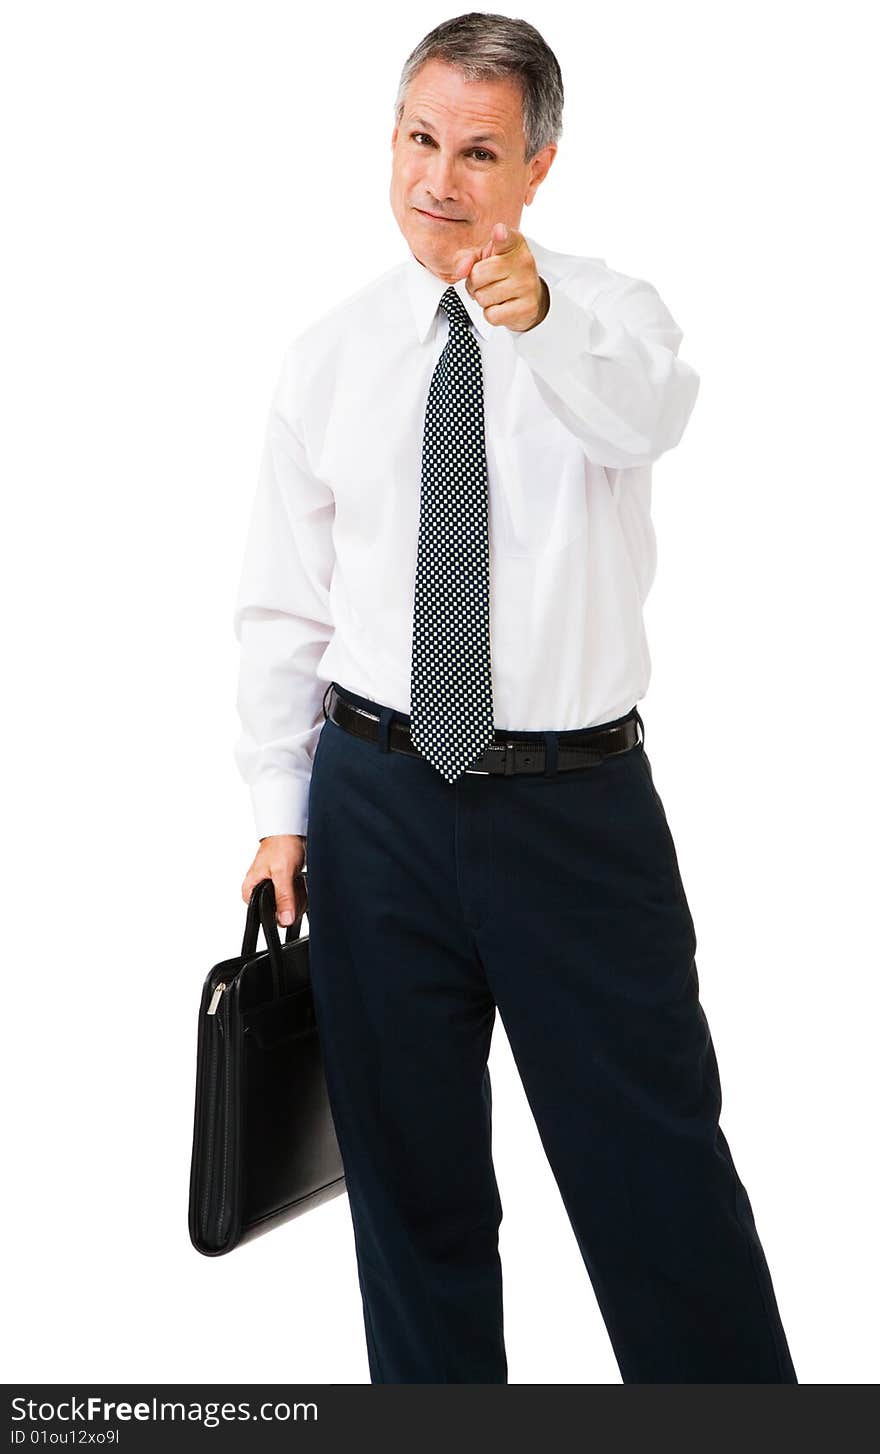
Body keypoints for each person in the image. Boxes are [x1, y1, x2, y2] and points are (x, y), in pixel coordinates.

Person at [232, 13, 797, 1384]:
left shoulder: (612, 317)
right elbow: (285, 601)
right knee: (413, 1195)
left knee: (658, 1185)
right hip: (377, 804)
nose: (442, 176)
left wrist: (532, 316)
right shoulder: (333, 350)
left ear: (538, 164)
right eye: (421, 139)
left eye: (479, 150)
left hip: (575, 814)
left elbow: (645, 413)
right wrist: (278, 809)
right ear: (391, 142)